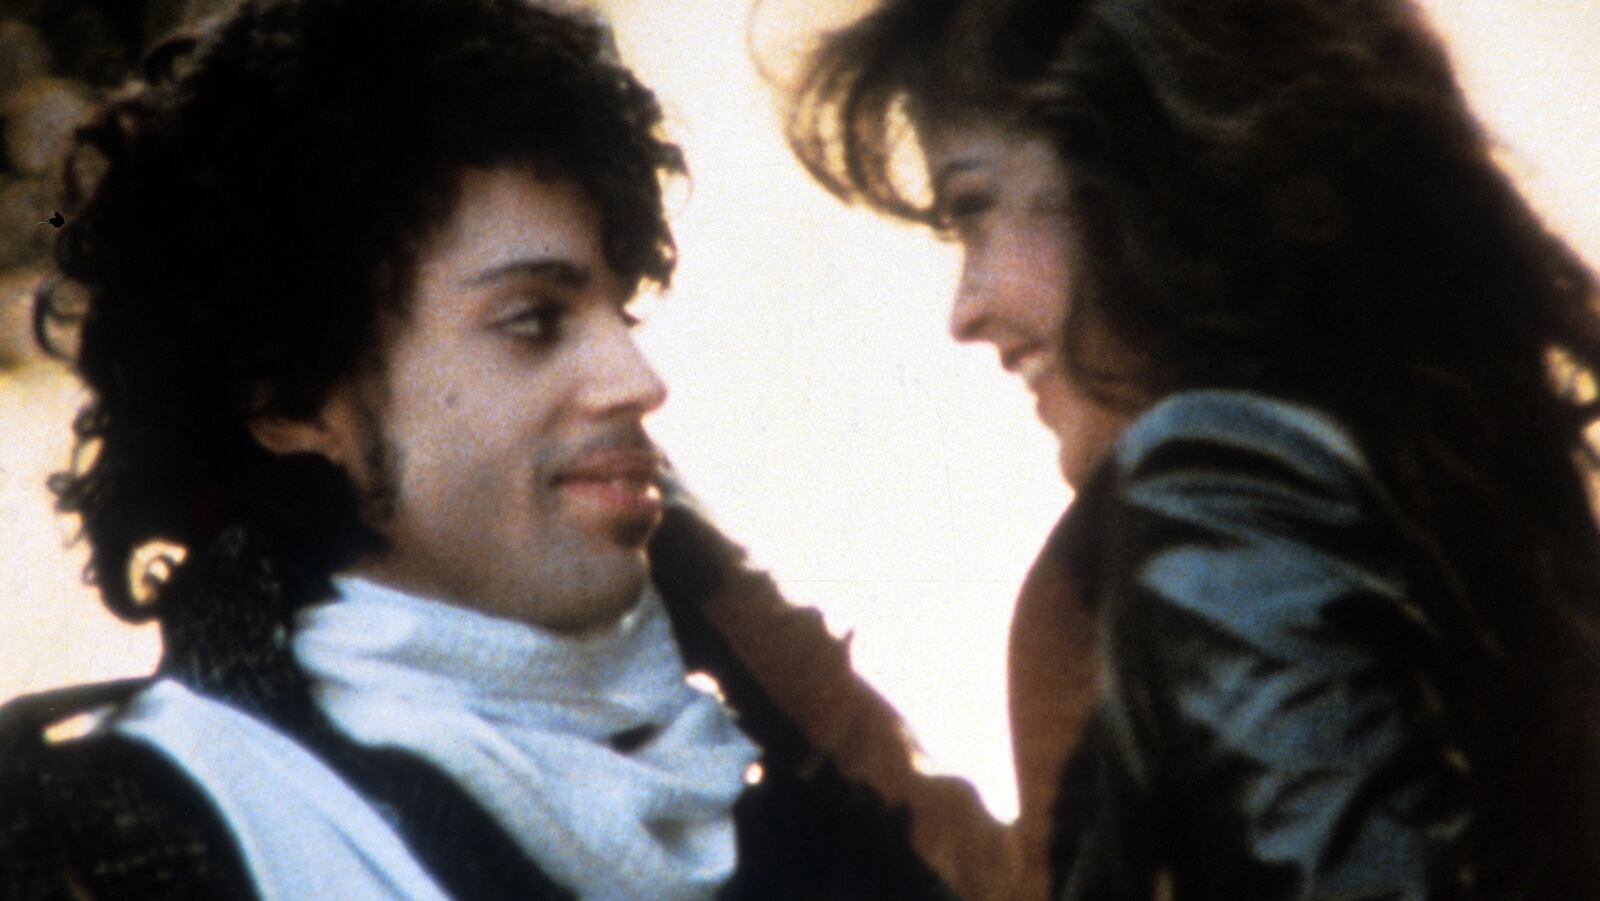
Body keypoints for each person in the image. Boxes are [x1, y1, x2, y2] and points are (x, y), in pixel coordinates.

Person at [0, 1, 957, 897]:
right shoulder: (123, 841)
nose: (636, 379)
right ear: (293, 400)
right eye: (532, 320)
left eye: (617, 308)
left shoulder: (754, 795)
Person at [782, 0, 1600, 897]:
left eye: (973, 209)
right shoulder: (1435, 498)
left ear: (1131, 167)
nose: (965, 309)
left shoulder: (1224, 479)